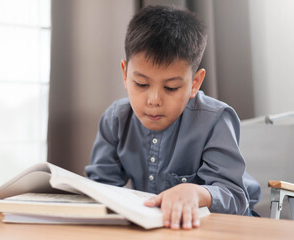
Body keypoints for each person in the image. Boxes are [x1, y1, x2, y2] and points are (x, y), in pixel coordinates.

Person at [85, 5, 260, 230]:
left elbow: (235, 196)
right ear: (125, 74)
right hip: (161, 227)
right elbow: (101, 186)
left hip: (222, 227)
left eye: (171, 87)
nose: (154, 99)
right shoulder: (116, 119)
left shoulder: (215, 120)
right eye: (141, 84)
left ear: (194, 83)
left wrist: (197, 192)